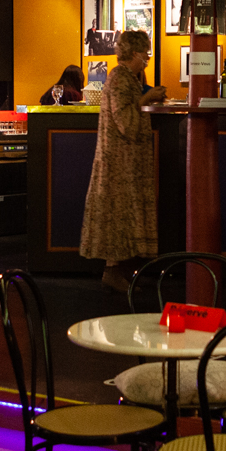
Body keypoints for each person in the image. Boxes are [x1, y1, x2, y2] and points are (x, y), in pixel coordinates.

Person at [80, 30, 166, 289]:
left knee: (124, 213)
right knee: (117, 213)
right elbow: (124, 120)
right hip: (118, 160)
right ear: (134, 53)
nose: (147, 58)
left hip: (126, 159)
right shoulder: (119, 77)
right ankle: (112, 271)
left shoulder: (130, 77)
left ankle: (119, 270)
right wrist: (147, 98)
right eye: (145, 53)